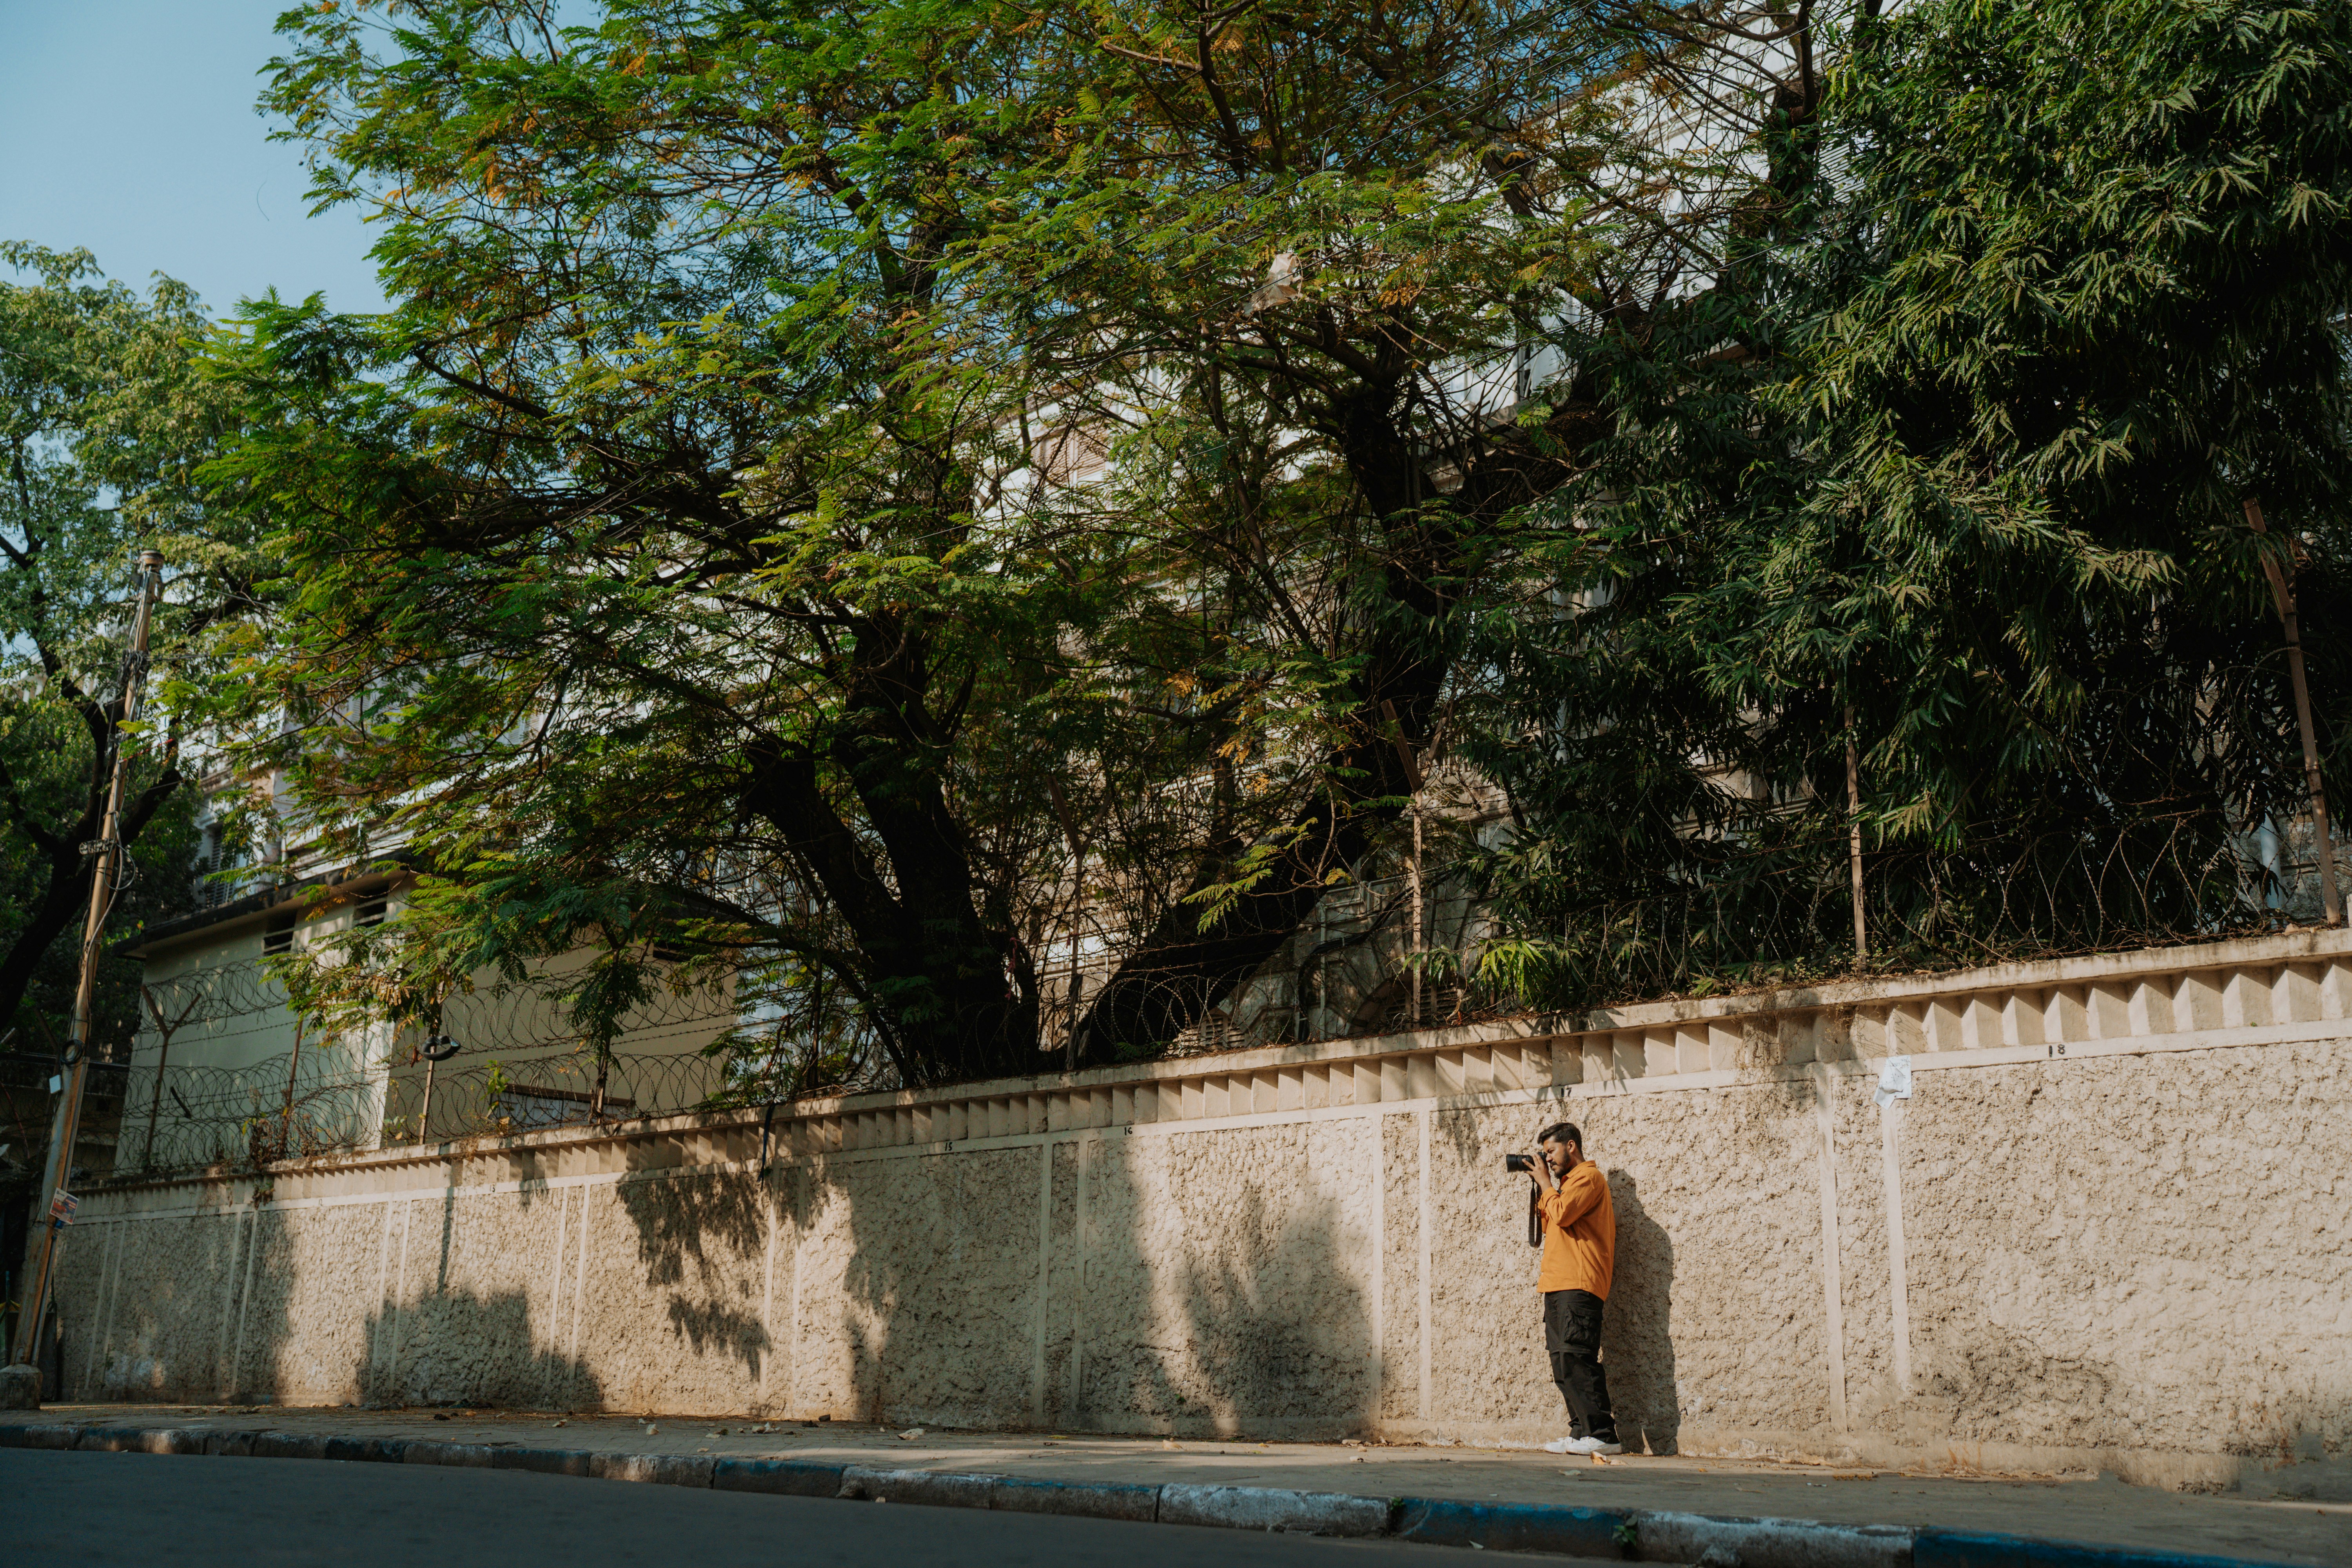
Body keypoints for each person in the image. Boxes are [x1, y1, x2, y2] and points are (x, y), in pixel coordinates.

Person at [1521, 1121, 1622, 1455]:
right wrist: (1544, 1189)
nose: (1547, 1159)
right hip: (1558, 1284)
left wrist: (1546, 1184)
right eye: (1545, 1154)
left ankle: (1604, 1435)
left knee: (1578, 1356)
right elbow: (1552, 1224)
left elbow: (1562, 1215)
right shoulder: (1563, 1186)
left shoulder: (1589, 1179)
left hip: (1579, 1283)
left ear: (1572, 1146)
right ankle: (1581, 1432)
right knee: (1562, 1361)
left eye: (1551, 1151)